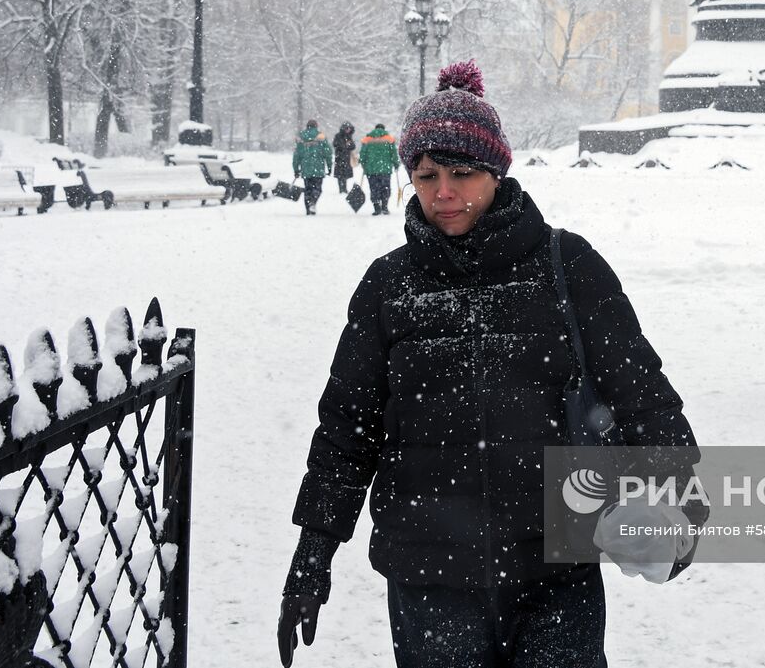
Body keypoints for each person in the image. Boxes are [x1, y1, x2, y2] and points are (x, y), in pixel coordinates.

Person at [278, 60, 701, 668]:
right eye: (425, 176)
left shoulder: (567, 265)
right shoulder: (389, 286)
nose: (443, 193)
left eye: (462, 173)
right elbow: (348, 428)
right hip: (429, 575)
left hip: (556, 567)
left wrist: (680, 500)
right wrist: (313, 549)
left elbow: (640, 393)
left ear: (497, 174)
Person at [291, 119, 332, 215]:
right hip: (318, 168)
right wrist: (330, 167)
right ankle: (313, 203)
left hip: (306, 169)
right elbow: (328, 154)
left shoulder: (301, 137)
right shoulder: (321, 137)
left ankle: (308, 209)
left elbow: (296, 156)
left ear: (307, 126)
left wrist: (296, 169)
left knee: (307, 189)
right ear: (316, 126)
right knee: (317, 189)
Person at [359, 122, 398, 216]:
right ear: (383, 129)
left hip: (371, 169)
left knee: (374, 188)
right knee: (385, 188)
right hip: (385, 169)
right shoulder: (389, 139)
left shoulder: (367, 139)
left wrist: (363, 164)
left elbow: (362, 154)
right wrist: (396, 164)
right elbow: (393, 153)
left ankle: (376, 207)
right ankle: (384, 207)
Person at [331, 122, 356, 193]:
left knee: (345, 175)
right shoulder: (338, 136)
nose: (348, 130)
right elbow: (335, 144)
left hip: (347, 158)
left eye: (349, 129)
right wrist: (345, 145)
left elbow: (353, 146)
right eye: (347, 128)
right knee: (340, 175)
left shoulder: (349, 136)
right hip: (340, 157)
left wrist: (349, 145)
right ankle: (342, 189)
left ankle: (344, 188)